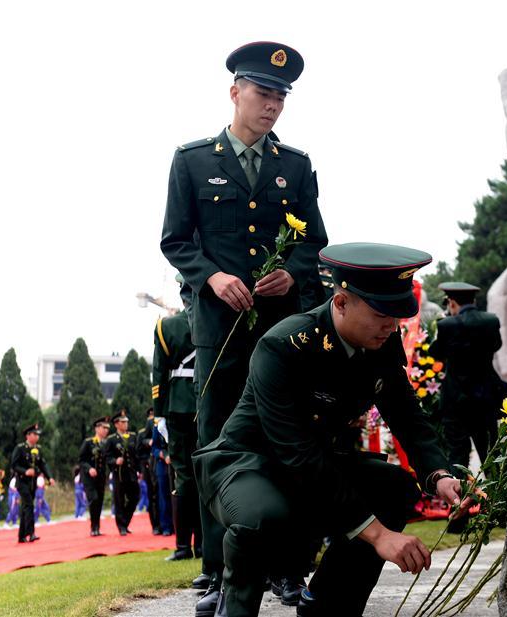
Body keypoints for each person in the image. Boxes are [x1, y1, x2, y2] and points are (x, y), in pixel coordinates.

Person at [192, 243, 467, 616]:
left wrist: (440, 477)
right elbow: (295, 452)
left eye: (397, 315)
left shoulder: (379, 344)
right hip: (247, 465)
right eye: (381, 314)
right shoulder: (284, 345)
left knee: (395, 488)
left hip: (312, 464)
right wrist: (378, 535)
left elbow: (408, 417)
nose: (392, 326)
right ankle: (234, 604)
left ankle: (326, 606)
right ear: (340, 303)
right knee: (264, 516)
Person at [160, 41, 328, 614]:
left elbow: (315, 242)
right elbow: (175, 240)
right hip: (219, 327)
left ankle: (287, 568)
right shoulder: (191, 161)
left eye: (281, 96)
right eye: (263, 93)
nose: (273, 105)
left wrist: (291, 273)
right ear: (235, 93)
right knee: (217, 442)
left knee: (286, 437)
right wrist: (211, 277)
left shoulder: (295, 166)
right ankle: (216, 570)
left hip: (279, 329)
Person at [429, 282, 507, 476]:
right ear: (473, 300)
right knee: (490, 454)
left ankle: (459, 492)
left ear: (451, 303)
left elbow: (436, 353)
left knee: (457, 454)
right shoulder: (491, 320)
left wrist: (444, 325)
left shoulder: (446, 325)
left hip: (455, 400)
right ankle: (496, 494)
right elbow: (496, 345)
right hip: (485, 397)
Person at [151, 285, 204, 577]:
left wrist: (158, 412)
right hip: (207, 401)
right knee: (206, 473)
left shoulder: (166, 326)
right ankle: (205, 545)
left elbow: (159, 372)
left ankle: (183, 546)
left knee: (183, 475)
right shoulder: (216, 322)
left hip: (177, 404)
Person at [11, 422, 55, 543]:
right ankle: (31, 533)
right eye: (34, 434)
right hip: (22, 482)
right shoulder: (20, 448)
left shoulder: (38, 449)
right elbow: (14, 465)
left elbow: (43, 464)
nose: (37, 437)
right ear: (28, 435)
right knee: (29, 505)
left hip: (32, 483)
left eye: (37, 435)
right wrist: (25, 471)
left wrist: (49, 477)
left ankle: (21, 536)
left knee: (25, 507)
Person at [104, 410, 139, 536]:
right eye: (123, 422)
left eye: (126, 422)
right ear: (116, 424)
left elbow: (136, 455)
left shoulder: (133, 436)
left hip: (131, 473)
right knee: (119, 500)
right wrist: (115, 461)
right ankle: (121, 526)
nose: (126, 424)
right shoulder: (111, 440)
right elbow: (107, 457)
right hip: (119, 474)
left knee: (135, 497)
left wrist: (139, 470)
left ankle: (125, 521)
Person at [79, 416, 110, 536]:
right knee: (94, 499)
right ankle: (93, 527)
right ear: (97, 428)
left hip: (101, 477)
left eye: (107, 428)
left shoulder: (106, 443)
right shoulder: (88, 442)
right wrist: (89, 468)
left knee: (100, 501)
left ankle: (97, 527)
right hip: (89, 478)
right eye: (103, 428)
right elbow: (81, 460)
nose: (106, 430)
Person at [136, 409, 159, 534]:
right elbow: (138, 453)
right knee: (152, 496)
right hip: (148, 467)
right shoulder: (142, 434)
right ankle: (155, 524)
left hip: (158, 464)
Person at [151, 416, 174, 536]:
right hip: (162, 465)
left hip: (176, 463)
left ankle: (178, 525)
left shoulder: (174, 421)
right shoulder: (158, 426)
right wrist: (163, 455)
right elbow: (154, 448)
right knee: (163, 497)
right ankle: (166, 526)